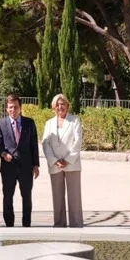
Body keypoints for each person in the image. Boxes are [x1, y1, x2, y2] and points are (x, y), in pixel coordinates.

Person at [0, 94, 40, 227]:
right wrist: (3, 154)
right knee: (8, 197)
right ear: (7, 109)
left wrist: (36, 165)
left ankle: (26, 224)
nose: (13, 110)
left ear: (20, 108)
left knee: (27, 197)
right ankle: (9, 224)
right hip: (8, 166)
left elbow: (34, 145)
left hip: (26, 166)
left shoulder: (29, 123)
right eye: (10, 107)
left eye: (15, 107)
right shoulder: (1, 124)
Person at [42, 93, 84, 228]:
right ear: (54, 107)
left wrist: (67, 159)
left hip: (71, 163)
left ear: (67, 105)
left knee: (74, 196)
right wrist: (54, 160)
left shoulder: (75, 120)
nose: (60, 107)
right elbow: (45, 143)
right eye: (58, 105)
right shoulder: (49, 123)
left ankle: (76, 223)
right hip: (55, 165)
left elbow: (78, 141)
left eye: (63, 104)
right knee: (57, 196)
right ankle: (59, 224)